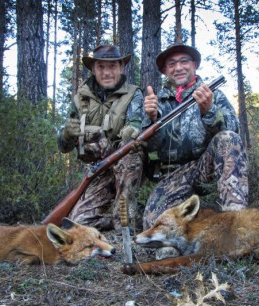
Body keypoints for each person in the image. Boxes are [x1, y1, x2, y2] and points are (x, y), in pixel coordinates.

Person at [143, 43, 248, 230]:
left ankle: (235, 224)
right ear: (165, 71)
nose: (178, 68)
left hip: (205, 168)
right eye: (172, 64)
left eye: (184, 61)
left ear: (194, 65)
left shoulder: (213, 94)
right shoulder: (157, 102)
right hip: (173, 175)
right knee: (153, 225)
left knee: (227, 138)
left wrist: (209, 111)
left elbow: (233, 131)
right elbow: (150, 148)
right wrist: (152, 120)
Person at [58, 44, 144, 231]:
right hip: (99, 170)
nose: (107, 72)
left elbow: (137, 122)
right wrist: (67, 135)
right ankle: (117, 219)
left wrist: (132, 131)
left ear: (121, 68)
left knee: (129, 154)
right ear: (93, 69)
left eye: (112, 66)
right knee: (79, 223)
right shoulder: (80, 99)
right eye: (101, 67)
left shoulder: (134, 95)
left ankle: (125, 219)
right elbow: (63, 146)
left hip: (127, 166)